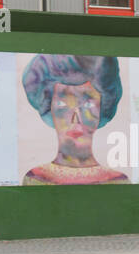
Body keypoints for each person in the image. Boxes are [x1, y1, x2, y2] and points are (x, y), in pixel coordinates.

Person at [21, 54, 129, 185]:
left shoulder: (117, 182)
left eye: (88, 104)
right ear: (49, 107)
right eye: (62, 104)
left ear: (103, 107)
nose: (75, 118)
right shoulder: (35, 179)